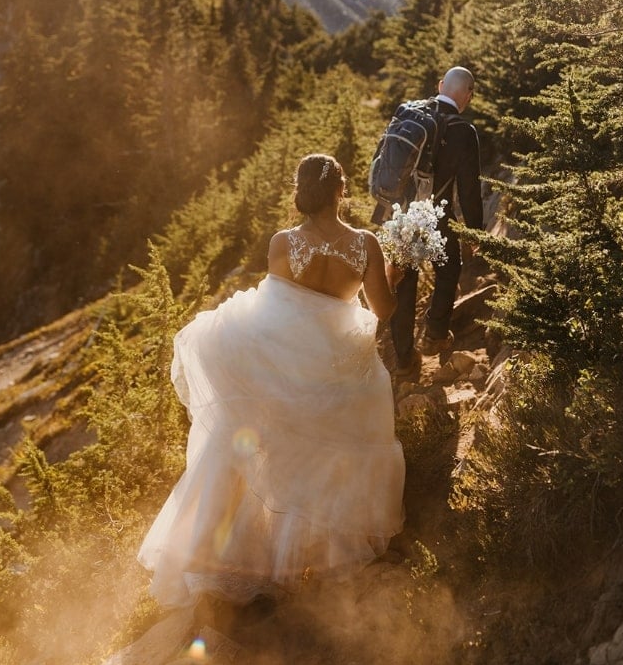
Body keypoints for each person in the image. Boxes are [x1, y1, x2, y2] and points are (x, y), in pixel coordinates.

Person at [138, 153, 405, 609]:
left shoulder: (283, 243)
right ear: (341, 190)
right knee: (328, 457)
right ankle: (312, 557)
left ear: (303, 193)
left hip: (287, 369)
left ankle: (216, 558)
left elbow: (280, 313)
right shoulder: (367, 245)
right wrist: (395, 272)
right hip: (336, 376)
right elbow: (384, 311)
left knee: (247, 447)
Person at [389, 66, 484, 377]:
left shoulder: (411, 114)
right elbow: (469, 190)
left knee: (404, 283)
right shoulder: (463, 131)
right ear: (467, 95)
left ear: (441, 85)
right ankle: (435, 333)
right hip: (435, 215)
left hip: (403, 215)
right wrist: (473, 231)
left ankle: (403, 358)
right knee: (449, 268)